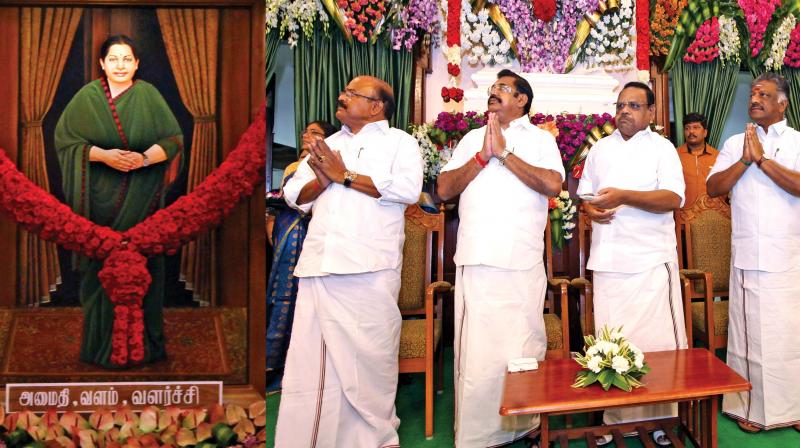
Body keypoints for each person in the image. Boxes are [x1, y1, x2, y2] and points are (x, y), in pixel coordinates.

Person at [275, 75, 423, 447]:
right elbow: (295, 196)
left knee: (369, 363)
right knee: (313, 365)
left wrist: (345, 175)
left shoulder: (399, 143)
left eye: (352, 94)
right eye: (343, 91)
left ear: (377, 106)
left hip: (369, 266)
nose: (341, 97)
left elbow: (406, 190)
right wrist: (325, 178)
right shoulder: (329, 145)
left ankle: (373, 440)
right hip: (320, 263)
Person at [437, 69, 564, 447]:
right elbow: (444, 189)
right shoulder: (472, 139)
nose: (493, 94)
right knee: (477, 354)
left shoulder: (540, 140)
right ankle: (477, 436)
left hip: (521, 260)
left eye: (503, 89)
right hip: (477, 259)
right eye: (492, 89)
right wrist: (481, 157)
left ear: (523, 99)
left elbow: (553, 185)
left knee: (522, 346)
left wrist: (505, 154)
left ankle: (524, 427)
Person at [55, 35, 183, 368]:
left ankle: (147, 347)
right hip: (98, 203)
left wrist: (142, 160)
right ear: (102, 63)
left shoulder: (148, 95)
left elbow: (172, 140)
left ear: (137, 63)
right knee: (101, 274)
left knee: (144, 271)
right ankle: (99, 348)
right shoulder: (88, 97)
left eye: (127, 59)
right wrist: (104, 156)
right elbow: (66, 140)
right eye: (113, 59)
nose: (121, 65)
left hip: (143, 201)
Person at [577, 81, 687, 447]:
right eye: (621, 104)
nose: (625, 111)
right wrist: (590, 209)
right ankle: (616, 420)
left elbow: (673, 197)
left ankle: (661, 422)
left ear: (651, 113)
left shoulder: (663, 148)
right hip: (609, 261)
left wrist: (625, 196)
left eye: (635, 105)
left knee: (657, 347)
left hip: (651, 261)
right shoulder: (600, 149)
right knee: (613, 343)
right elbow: (585, 196)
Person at [707, 72, 800, 433]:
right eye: (753, 92)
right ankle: (750, 409)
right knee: (748, 339)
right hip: (747, 253)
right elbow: (714, 187)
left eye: (765, 94)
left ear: (783, 103)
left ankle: (793, 409)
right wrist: (744, 161)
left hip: (788, 256)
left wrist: (762, 160)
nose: (755, 98)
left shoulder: (795, 142)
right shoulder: (734, 143)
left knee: (790, 336)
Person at [266, 120, 337, 394]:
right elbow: (289, 199)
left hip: (313, 238)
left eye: (315, 133)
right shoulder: (297, 167)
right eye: (306, 132)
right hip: (289, 236)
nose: (307, 136)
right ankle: (275, 366)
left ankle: (299, 369)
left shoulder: (328, 164)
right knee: (281, 296)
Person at [677, 113, 718, 207]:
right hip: (682, 215)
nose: (691, 131)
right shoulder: (674, 155)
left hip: (712, 215)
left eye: (696, 127)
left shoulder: (718, 157)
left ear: (705, 132)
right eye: (687, 128)